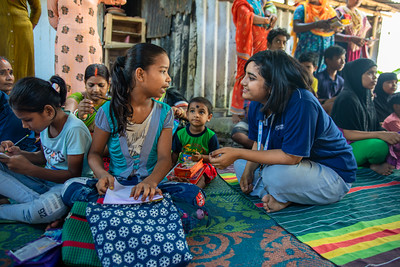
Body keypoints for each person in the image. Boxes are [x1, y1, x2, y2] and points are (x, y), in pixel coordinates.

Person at [210, 50, 356, 213]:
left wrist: (237, 152)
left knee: (274, 175)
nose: (243, 82)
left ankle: (285, 198)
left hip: (331, 173)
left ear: (273, 85)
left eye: (251, 78)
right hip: (297, 168)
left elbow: (292, 157)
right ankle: (282, 195)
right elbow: (259, 141)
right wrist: (249, 169)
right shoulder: (257, 104)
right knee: (240, 166)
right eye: (245, 76)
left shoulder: (302, 102)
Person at [61, 43, 175, 205]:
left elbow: (165, 158)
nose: (168, 78)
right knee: (70, 188)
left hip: (152, 186)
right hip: (116, 185)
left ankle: (112, 211)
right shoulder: (108, 112)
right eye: (163, 71)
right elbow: (94, 154)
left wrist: (151, 182)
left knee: (192, 194)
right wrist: (102, 175)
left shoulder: (165, 113)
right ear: (140, 74)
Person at [0, 76, 92, 223]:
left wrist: (29, 169)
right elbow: (44, 157)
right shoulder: (45, 125)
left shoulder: (74, 129)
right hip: (45, 182)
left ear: (48, 111)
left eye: (28, 120)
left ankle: (20, 207)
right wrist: (19, 153)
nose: (24, 125)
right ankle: (37, 203)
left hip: (67, 187)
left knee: (44, 210)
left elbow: (72, 175)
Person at [331, 58, 400, 175]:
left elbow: (373, 125)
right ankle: (370, 165)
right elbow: (348, 134)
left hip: (361, 143)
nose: (374, 77)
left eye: (375, 73)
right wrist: (381, 135)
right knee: (379, 147)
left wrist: (388, 135)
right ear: (357, 74)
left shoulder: (366, 96)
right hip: (342, 149)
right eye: (369, 73)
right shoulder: (347, 98)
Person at [47, 0, 126, 94]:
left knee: (93, 73)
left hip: (90, 42)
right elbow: (52, 17)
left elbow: (122, 1)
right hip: (66, 42)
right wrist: (69, 29)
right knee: (65, 77)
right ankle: (67, 106)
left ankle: (91, 106)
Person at [231, 0, 277, 122]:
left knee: (259, 73)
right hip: (247, 44)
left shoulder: (260, 1)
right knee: (244, 75)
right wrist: (265, 21)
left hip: (260, 42)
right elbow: (245, 15)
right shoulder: (242, 2)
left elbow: (270, 6)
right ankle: (239, 114)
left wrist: (270, 14)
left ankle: (255, 110)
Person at [171, 97, 219, 188]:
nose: (196, 115)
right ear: (187, 114)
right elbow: (175, 154)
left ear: (209, 117)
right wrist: (171, 169)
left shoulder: (210, 136)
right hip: (184, 165)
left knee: (200, 177)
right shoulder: (180, 134)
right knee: (175, 176)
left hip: (203, 166)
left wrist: (201, 157)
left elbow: (215, 159)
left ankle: (196, 191)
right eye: (192, 111)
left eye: (201, 112)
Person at [0, 0, 41, 82]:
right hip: (2, 31)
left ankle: (23, 93)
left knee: (23, 66)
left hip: (22, 31)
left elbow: (37, 8)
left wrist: (29, 27)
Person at [292, 0, 337, 71]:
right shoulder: (302, 8)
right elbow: (296, 27)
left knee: (320, 79)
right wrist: (316, 24)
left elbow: (334, 33)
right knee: (303, 76)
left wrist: (337, 28)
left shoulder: (329, 11)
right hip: (306, 54)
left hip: (323, 56)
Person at [64, 64, 110, 133]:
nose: (96, 90)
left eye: (101, 85)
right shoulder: (75, 99)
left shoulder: (111, 103)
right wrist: (78, 115)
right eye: (91, 85)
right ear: (85, 84)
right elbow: (65, 124)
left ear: (108, 85)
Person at [315, 45, 346, 114]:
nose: (343, 62)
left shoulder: (341, 81)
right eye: (339, 58)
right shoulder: (318, 78)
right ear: (328, 60)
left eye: (344, 59)